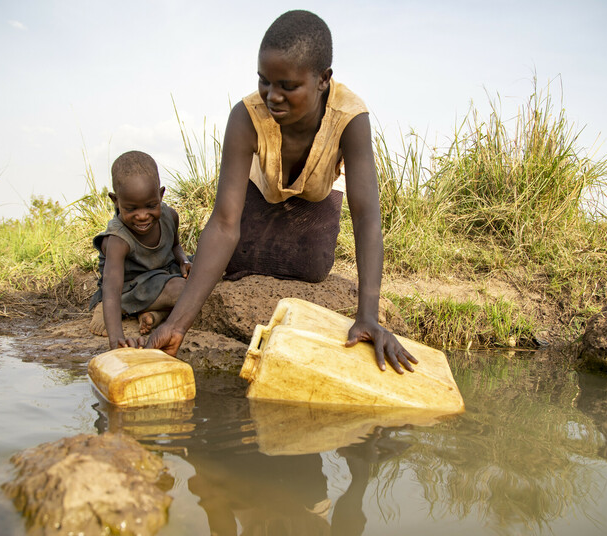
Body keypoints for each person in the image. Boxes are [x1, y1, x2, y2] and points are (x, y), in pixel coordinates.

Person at [145, 10, 416, 373]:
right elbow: (225, 223)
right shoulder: (246, 116)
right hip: (258, 199)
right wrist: (177, 326)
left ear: (323, 80)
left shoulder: (350, 117)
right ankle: (172, 300)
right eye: (264, 82)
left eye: (288, 86)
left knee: (314, 265)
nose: (273, 97)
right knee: (229, 255)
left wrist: (367, 315)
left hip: (311, 205)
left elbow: (367, 217)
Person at [88, 150, 192, 349]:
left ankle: (154, 314)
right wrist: (116, 338)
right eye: (131, 209)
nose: (143, 216)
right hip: (128, 288)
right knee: (184, 291)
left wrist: (183, 261)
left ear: (161, 195)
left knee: (204, 272)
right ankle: (111, 310)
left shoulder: (170, 217)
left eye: (151, 205)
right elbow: (112, 287)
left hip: (162, 273)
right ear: (116, 201)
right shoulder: (118, 240)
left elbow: (175, 246)